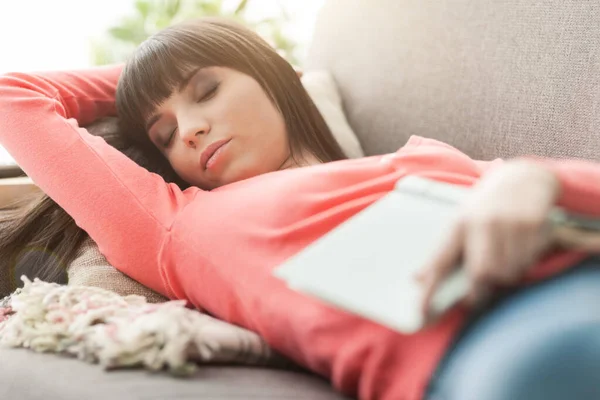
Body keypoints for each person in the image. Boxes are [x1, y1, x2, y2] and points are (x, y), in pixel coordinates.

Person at [0, 17, 599, 400]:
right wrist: (156, 72)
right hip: (501, 345)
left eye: (206, 89)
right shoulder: (174, 224)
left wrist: (532, 179)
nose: (190, 128)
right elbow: (13, 95)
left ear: (273, 77)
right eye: (162, 134)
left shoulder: (425, 157)